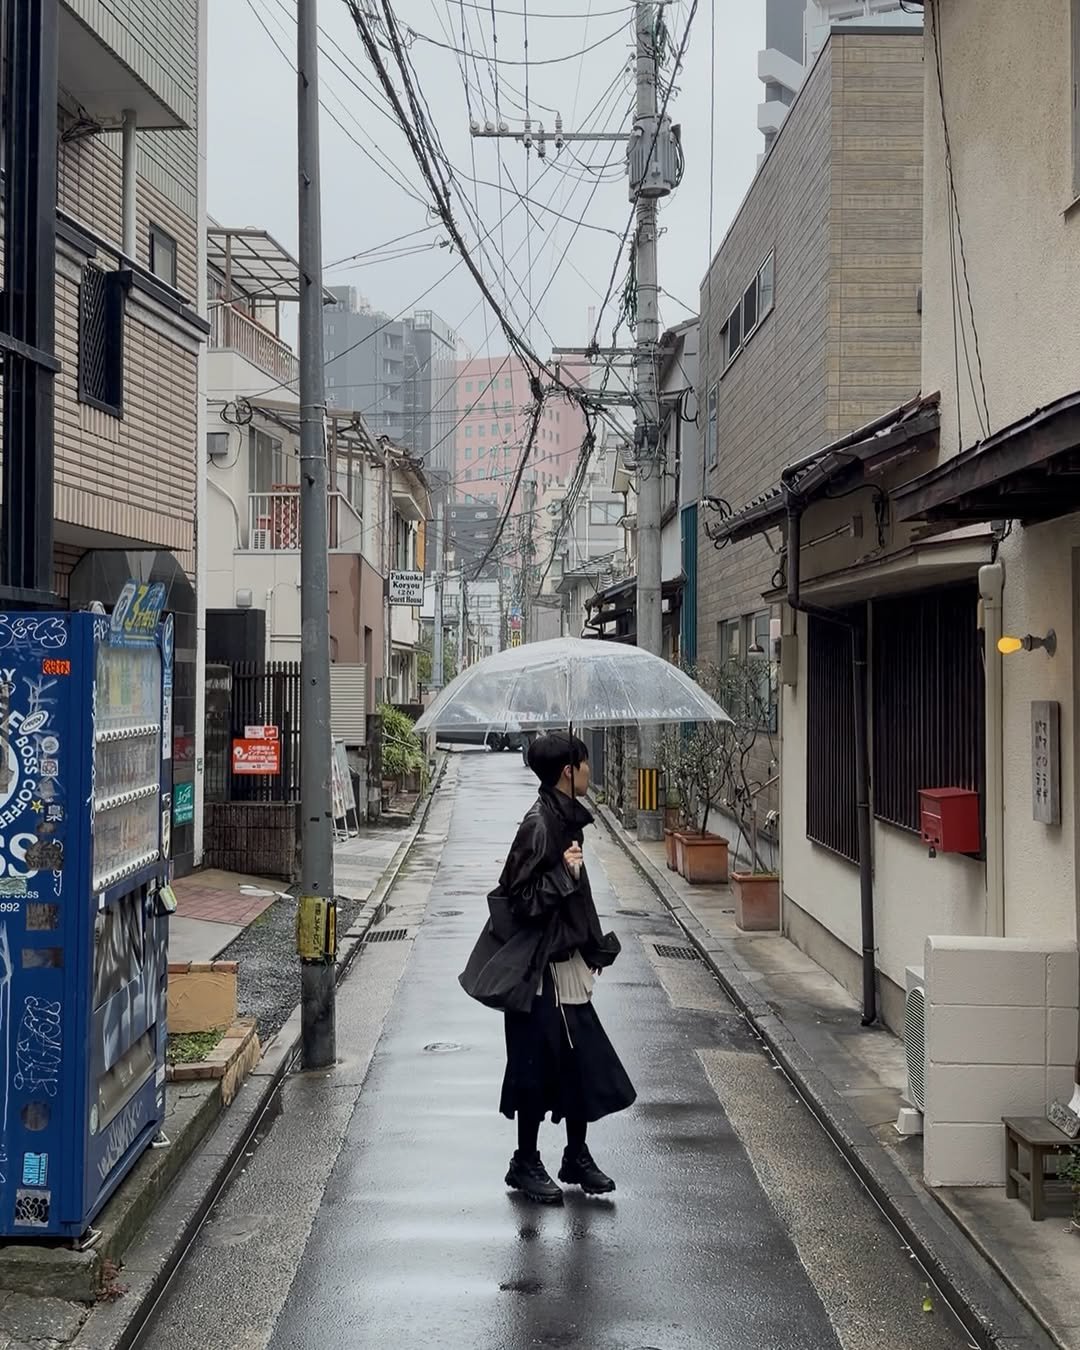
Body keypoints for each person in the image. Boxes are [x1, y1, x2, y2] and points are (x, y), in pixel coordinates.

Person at [459, 731, 637, 1204]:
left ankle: (575, 1155)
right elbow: (516, 900)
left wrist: (592, 947)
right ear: (568, 771)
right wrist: (563, 876)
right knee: (533, 1067)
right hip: (537, 973)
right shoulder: (539, 824)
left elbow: (578, 899)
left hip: (566, 963)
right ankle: (525, 1162)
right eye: (584, 762)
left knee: (581, 1061)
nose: (589, 770)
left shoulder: (566, 820)